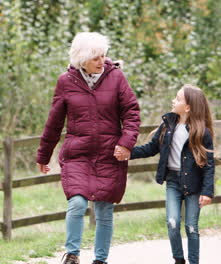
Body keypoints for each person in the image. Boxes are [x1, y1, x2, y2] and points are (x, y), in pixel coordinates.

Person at [36, 32, 140, 264]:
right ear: (82, 58)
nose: (101, 61)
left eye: (103, 55)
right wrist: (44, 154)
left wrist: (126, 142)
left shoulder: (117, 78)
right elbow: (54, 122)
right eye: (95, 57)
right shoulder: (66, 82)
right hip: (77, 155)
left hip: (109, 154)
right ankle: (72, 254)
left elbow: (132, 113)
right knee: (77, 202)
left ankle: (100, 260)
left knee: (104, 209)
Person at [115, 84, 215, 264]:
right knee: (172, 222)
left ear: (188, 107)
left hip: (194, 185)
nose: (173, 101)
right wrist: (130, 153)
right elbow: (152, 148)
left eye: (177, 99)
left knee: (191, 227)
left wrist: (207, 191)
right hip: (173, 181)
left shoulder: (201, 132)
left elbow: (209, 164)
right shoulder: (167, 126)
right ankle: (178, 259)